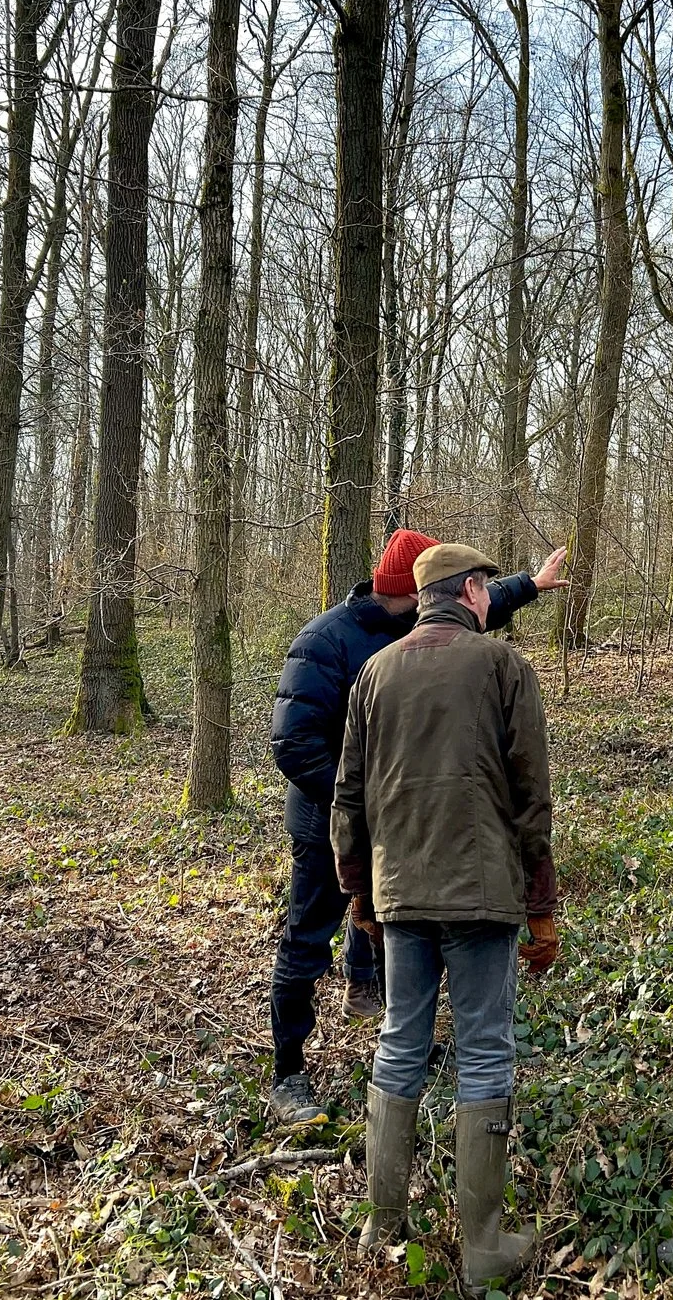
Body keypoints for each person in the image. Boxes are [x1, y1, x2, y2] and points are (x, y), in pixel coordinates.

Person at [263, 530, 566, 1125]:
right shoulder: (325, 645)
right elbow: (293, 745)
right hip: (331, 818)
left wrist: (530, 584)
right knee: (308, 938)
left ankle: (381, 1008)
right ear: (408, 593)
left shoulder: (419, 629)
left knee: (390, 922)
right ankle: (288, 1071)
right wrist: (376, 803)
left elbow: (478, 603)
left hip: (400, 826)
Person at [334, 543, 562, 1283]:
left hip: (401, 895)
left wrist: (362, 893)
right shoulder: (504, 668)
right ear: (469, 591)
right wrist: (543, 907)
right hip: (481, 893)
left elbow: (349, 797)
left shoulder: (374, 672)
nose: (492, 597)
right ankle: (484, 1249)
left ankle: (382, 1227)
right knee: (486, 1050)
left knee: (401, 1042)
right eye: (488, 586)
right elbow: (533, 801)